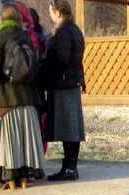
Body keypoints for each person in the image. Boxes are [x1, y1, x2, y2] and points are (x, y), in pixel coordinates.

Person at [0, 2, 44, 189]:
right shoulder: (26, 38)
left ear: (1, 19)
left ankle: (10, 181)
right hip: (28, 100)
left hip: (5, 100)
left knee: (8, 143)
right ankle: (24, 180)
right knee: (24, 143)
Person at [42, 0, 85, 181]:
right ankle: (70, 166)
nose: (50, 14)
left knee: (68, 127)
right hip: (72, 82)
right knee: (72, 127)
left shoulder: (63, 32)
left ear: (58, 12)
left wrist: (44, 61)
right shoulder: (75, 29)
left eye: (51, 10)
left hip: (63, 83)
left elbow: (61, 58)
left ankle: (69, 168)